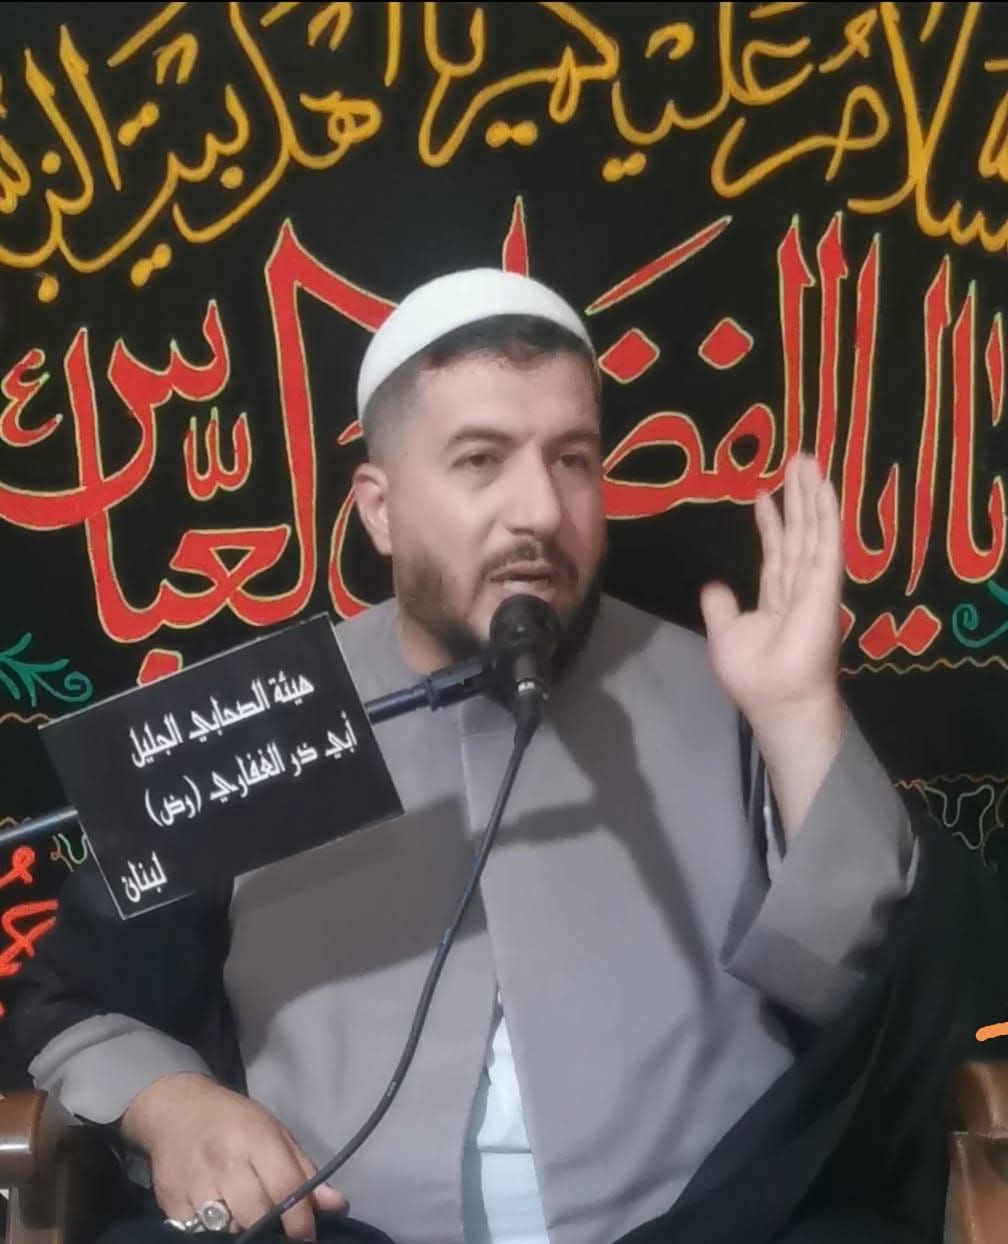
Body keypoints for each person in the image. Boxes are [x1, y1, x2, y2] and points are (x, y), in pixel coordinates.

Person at [9, 269, 973, 1244]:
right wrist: (171, 1104)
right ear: (380, 508)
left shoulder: (731, 687)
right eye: (480, 460)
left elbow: (876, 1004)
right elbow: (73, 1002)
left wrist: (801, 716)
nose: (541, 510)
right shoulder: (257, 722)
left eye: (573, 459)